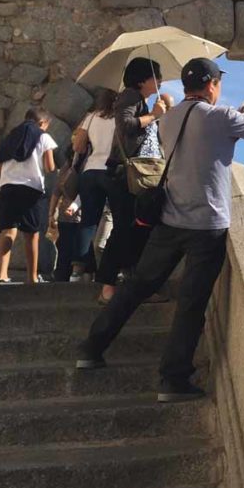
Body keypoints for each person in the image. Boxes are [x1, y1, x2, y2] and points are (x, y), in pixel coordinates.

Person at [77, 58, 244, 402]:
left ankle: (91, 347)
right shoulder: (222, 117)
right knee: (191, 304)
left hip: (169, 220)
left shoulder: (168, 119)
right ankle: (172, 379)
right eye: (219, 83)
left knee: (136, 287)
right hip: (207, 226)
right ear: (212, 84)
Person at [96, 58, 168, 304]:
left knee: (139, 231)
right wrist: (154, 115)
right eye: (156, 76)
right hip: (124, 175)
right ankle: (107, 287)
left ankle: (133, 284)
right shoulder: (129, 97)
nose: (160, 81)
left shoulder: (141, 101)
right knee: (125, 229)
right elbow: (126, 125)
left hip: (138, 175)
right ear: (142, 79)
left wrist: (158, 113)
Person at [0, 106, 57, 283]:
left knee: (8, 230)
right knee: (31, 233)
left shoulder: (11, 136)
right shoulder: (43, 136)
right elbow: (49, 166)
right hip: (31, 189)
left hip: (7, 186)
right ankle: (31, 277)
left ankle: (2, 274)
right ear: (42, 123)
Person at [65, 88, 118, 282]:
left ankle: (77, 271)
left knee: (88, 222)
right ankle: (113, 270)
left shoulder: (91, 117)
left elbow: (77, 145)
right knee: (117, 220)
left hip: (90, 171)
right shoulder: (121, 117)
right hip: (111, 172)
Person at [48, 144, 86, 282]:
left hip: (72, 214)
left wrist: (52, 213)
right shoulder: (73, 167)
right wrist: (52, 213)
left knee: (67, 248)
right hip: (72, 215)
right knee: (67, 249)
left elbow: (56, 192)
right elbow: (56, 192)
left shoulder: (67, 168)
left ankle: (64, 276)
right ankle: (64, 276)